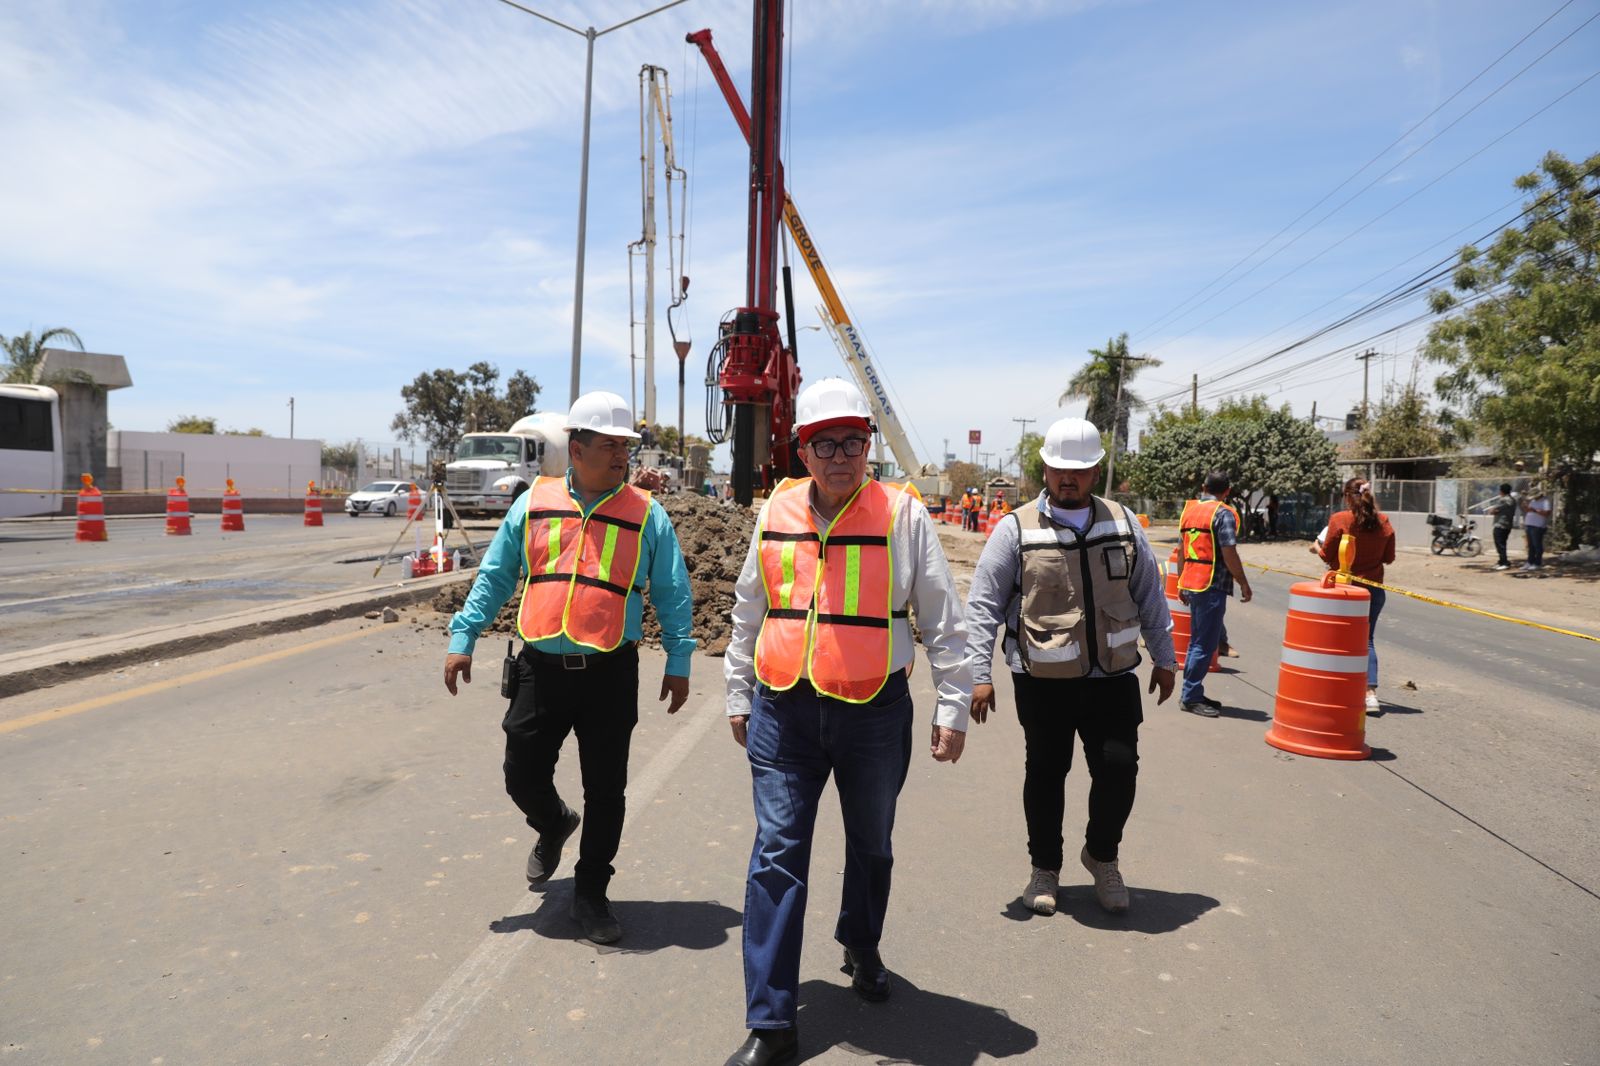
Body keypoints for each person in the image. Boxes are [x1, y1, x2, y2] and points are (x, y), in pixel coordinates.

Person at [722, 377, 971, 1066]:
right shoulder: (775, 509)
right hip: (784, 711)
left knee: (872, 846)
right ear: (802, 450)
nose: (840, 455)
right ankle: (771, 1023)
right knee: (776, 854)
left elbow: (944, 623)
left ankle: (861, 942)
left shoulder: (901, 515)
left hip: (873, 714)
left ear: (868, 446)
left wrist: (954, 705)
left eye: (853, 442)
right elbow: (750, 607)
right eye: (824, 442)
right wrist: (737, 692)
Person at [443, 390, 695, 945]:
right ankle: (553, 822)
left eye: (625, 447)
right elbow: (497, 574)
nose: (621, 456)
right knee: (521, 771)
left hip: (610, 672)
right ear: (576, 449)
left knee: (607, 789)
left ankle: (591, 893)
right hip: (540, 667)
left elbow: (674, 593)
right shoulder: (533, 503)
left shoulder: (647, 515)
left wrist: (679, 660)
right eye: (609, 446)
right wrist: (464, 635)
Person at [964, 417, 1175, 919]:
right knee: (1045, 773)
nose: (1068, 479)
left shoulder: (1124, 523)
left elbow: (1150, 595)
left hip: (1112, 678)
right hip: (1042, 681)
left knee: (1120, 771)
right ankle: (1045, 868)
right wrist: (979, 674)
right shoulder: (1014, 529)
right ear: (1045, 468)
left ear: (1096, 471)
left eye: (1079, 471)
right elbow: (983, 604)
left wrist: (1165, 658)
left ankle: (1102, 856)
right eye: (1059, 469)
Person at [1175, 471, 1252, 716]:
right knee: (1204, 643)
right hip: (1211, 585)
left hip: (1192, 582)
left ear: (1203, 486)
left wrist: (1180, 582)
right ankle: (1190, 696)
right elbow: (1229, 552)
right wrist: (1243, 582)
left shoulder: (1190, 511)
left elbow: (1180, 551)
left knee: (1197, 641)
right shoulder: (1223, 513)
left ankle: (1192, 691)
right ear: (1227, 491)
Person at [1318, 478, 1396, 712]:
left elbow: (1326, 554)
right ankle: (1370, 694)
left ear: (1346, 496)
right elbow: (1389, 558)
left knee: (1334, 639)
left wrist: (1317, 548)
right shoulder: (1384, 521)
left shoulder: (1340, 519)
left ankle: (1332, 688)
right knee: (1366, 640)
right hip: (1373, 590)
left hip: (1342, 590)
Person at [1486, 483, 1518, 570]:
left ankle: (1504, 562)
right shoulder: (1512, 500)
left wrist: (1493, 511)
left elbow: (1494, 510)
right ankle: (1501, 561)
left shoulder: (1503, 500)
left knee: (1500, 544)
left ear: (1501, 491)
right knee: (1502, 543)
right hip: (1507, 524)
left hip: (1501, 524)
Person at [1520, 486, 1552, 570]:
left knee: (1537, 545)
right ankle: (1530, 562)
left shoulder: (1545, 501)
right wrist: (1525, 507)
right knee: (1530, 545)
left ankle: (1537, 562)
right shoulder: (1533, 501)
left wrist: (1534, 510)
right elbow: (1529, 510)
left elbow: (1547, 513)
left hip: (1538, 526)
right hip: (1529, 524)